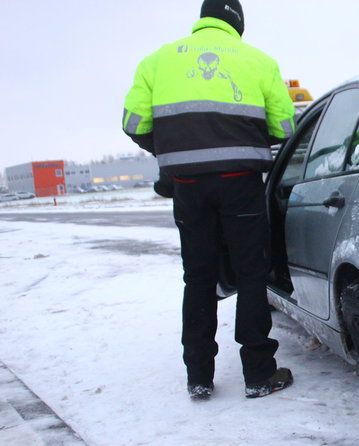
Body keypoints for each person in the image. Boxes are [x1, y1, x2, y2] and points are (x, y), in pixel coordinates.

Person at [122, 0, 295, 400]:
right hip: (241, 182)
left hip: (187, 185)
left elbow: (133, 122)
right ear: (238, 24)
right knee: (252, 274)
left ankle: (198, 376)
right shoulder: (258, 61)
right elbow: (285, 125)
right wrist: (242, 141)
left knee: (198, 278)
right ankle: (258, 373)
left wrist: (175, 151)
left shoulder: (157, 60)